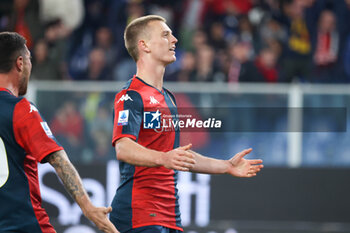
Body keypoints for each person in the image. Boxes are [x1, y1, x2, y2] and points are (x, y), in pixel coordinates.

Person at [111, 15, 264, 233]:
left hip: (170, 216)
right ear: (143, 45)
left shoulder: (169, 98)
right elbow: (123, 147)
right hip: (139, 215)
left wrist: (227, 166)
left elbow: (177, 155)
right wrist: (164, 158)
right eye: (165, 35)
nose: (174, 40)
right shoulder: (131, 95)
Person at [0, 32, 119, 233]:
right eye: (30, 59)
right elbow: (59, 160)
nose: (31, 66)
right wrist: (88, 208)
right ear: (20, 63)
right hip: (24, 224)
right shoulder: (20, 109)